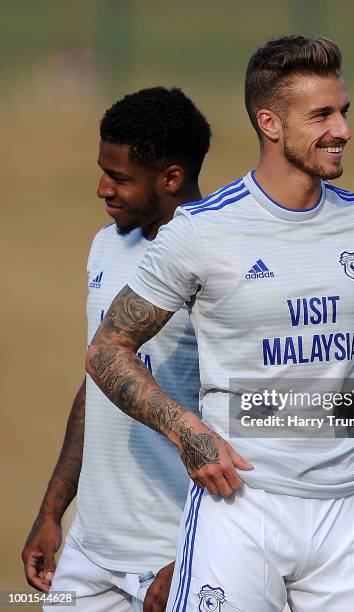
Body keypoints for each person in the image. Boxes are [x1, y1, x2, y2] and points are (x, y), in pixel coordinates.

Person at [86, 36, 354, 612]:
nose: (342, 129)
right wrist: (189, 433)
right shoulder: (200, 232)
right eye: (321, 114)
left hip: (349, 518)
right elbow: (107, 350)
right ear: (269, 123)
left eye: (343, 110)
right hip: (239, 510)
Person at [22, 86, 211, 612]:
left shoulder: (222, 263)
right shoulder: (108, 243)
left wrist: (197, 557)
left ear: (171, 178)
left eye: (120, 178)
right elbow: (98, 386)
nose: (102, 188)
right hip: (90, 554)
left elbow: (250, 419)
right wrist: (53, 511)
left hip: (176, 556)